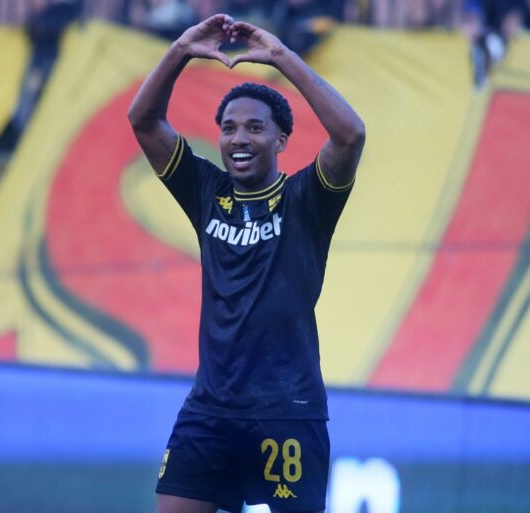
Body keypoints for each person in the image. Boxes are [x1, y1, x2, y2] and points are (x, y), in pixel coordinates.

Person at [127, 13, 365, 513]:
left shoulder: (306, 199)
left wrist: (281, 57)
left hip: (287, 411)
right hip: (210, 410)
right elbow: (143, 120)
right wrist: (181, 49)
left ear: (281, 141)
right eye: (229, 128)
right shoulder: (205, 191)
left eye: (255, 128)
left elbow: (350, 135)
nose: (239, 138)